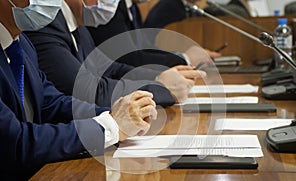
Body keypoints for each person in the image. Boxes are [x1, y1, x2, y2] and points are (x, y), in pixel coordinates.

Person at [0, 0, 158, 181]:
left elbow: (51, 103)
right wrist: (109, 127)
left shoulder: (22, 43)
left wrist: (117, 115)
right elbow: (16, 143)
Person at [25, 0, 206, 108]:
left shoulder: (76, 23)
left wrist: (161, 75)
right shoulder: (45, 24)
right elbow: (88, 91)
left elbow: (111, 69)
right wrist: (161, 88)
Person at [87, 0, 221, 67]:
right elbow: (129, 59)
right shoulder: (108, 11)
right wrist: (184, 59)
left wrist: (182, 57)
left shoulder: (133, 8)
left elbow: (146, 50)